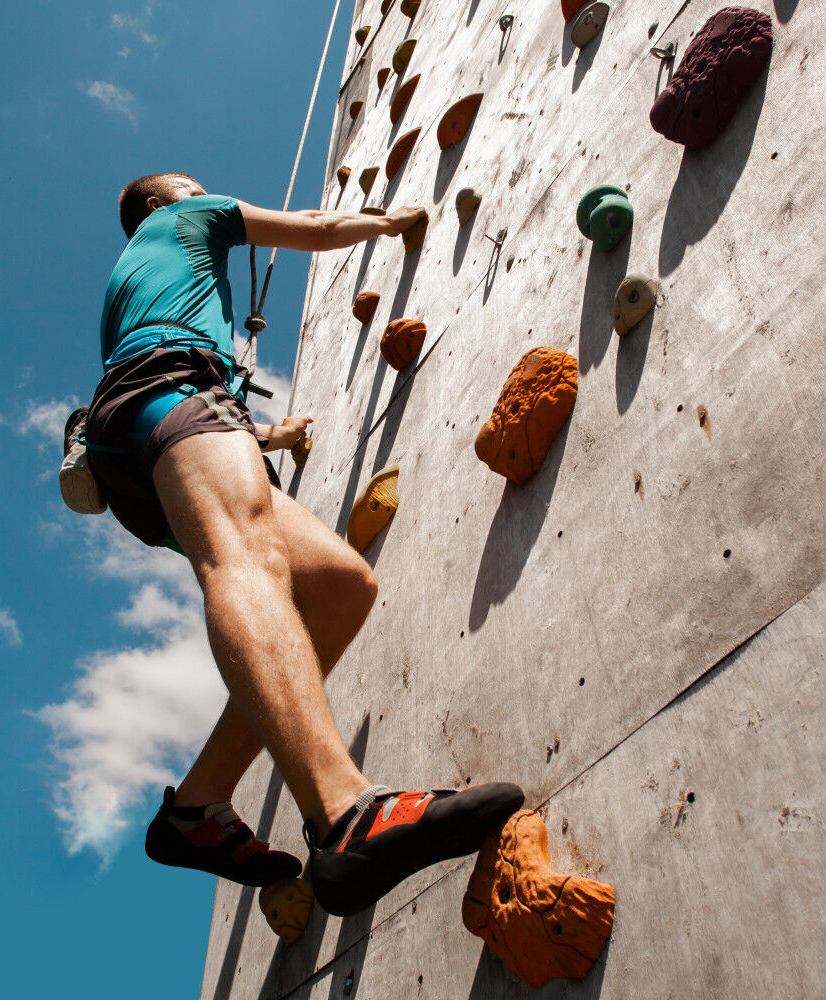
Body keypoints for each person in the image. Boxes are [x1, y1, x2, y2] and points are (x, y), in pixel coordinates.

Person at [75, 173, 523, 916]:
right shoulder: (193, 216)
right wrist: (388, 222)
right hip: (172, 388)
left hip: (152, 421)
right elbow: (313, 225)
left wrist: (265, 433)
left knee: (338, 585)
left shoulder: (140, 278)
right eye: (190, 185)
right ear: (162, 202)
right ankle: (347, 817)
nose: (207, 190)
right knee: (247, 557)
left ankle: (198, 805)